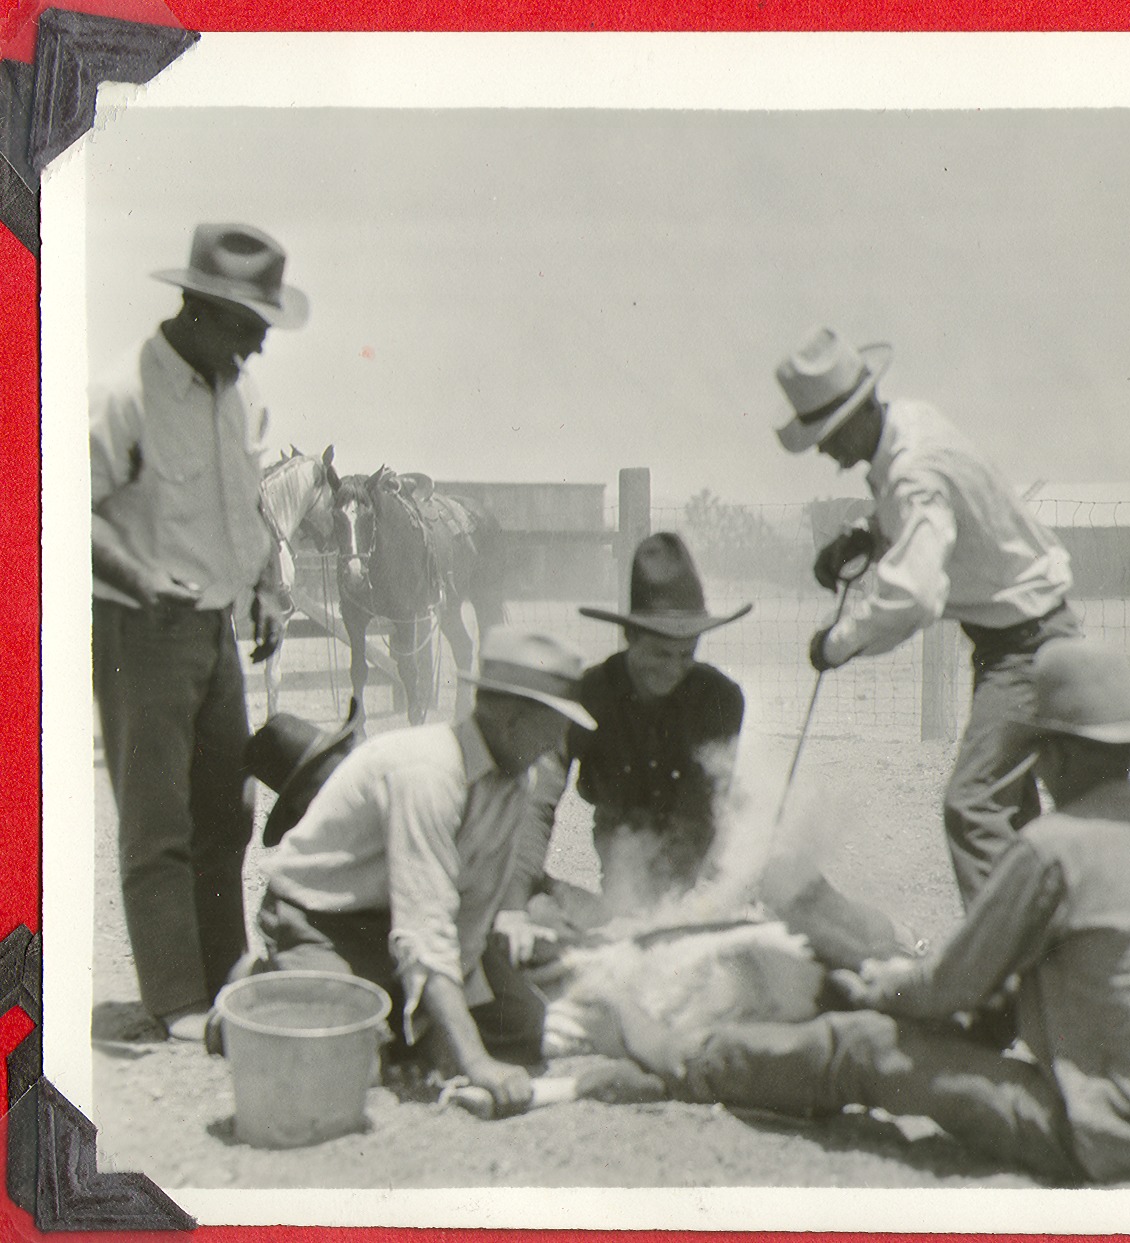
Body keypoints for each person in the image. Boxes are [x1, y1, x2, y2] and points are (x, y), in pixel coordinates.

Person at [610, 641, 1130, 1187]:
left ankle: (686, 1059)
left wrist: (879, 986)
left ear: (1051, 755)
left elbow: (950, 986)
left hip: (1106, 1139)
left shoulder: (1053, 848)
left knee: (861, 1046)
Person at [773, 326, 1083, 909]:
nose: (823, 451)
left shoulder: (912, 470)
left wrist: (837, 644)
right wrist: (868, 534)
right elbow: (928, 517)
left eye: (827, 435)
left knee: (973, 808)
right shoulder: (912, 423)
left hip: (1027, 646)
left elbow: (913, 595)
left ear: (859, 412)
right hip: (1022, 636)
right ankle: (1040, 955)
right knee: (1011, 811)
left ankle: (1000, 974)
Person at [91, 223, 306, 1040]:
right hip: (141, 630)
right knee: (158, 819)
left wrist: (267, 590)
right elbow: (51, 504)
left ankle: (224, 976)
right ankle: (176, 1000)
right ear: (203, 310)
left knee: (228, 810)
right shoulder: (123, 393)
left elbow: (248, 509)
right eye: (251, 327)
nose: (258, 347)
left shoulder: (239, 394)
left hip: (217, 630)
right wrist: (143, 579)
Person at [244, 629, 596, 1118]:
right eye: (552, 726)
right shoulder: (427, 774)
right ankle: (265, 990)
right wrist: (474, 1062)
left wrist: (446, 1034)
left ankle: (390, 1018)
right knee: (352, 1066)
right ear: (510, 717)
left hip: (397, 920)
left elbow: (470, 915)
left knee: (520, 1028)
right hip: (325, 920)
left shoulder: (519, 780)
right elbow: (423, 931)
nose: (559, 743)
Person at [571, 533, 751, 904]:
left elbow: (701, 805)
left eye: (686, 654)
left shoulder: (720, 697)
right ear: (629, 636)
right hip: (622, 847)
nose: (673, 668)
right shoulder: (590, 693)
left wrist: (675, 893)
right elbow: (539, 800)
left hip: (706, 846)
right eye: (659, 653)